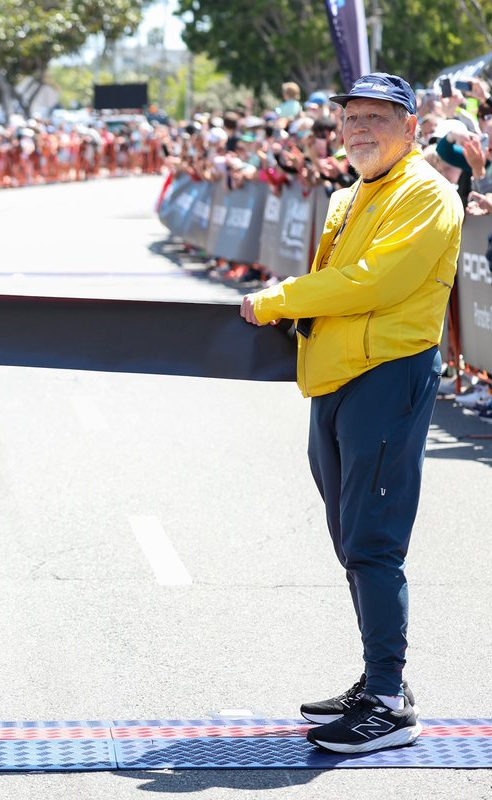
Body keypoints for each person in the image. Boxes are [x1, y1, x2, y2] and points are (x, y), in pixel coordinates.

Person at [241, 73, 462, 754]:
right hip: (338, 379)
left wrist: (280, 299)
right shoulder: (352, 192)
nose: (359, 128)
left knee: (373, 541)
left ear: (411, 127)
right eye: (352, 117)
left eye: (377, 117)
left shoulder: (427, 192)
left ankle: (389, 705)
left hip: (387, 377)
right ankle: (379, 679)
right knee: (351, 537)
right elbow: (341, 282)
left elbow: (374, 282)